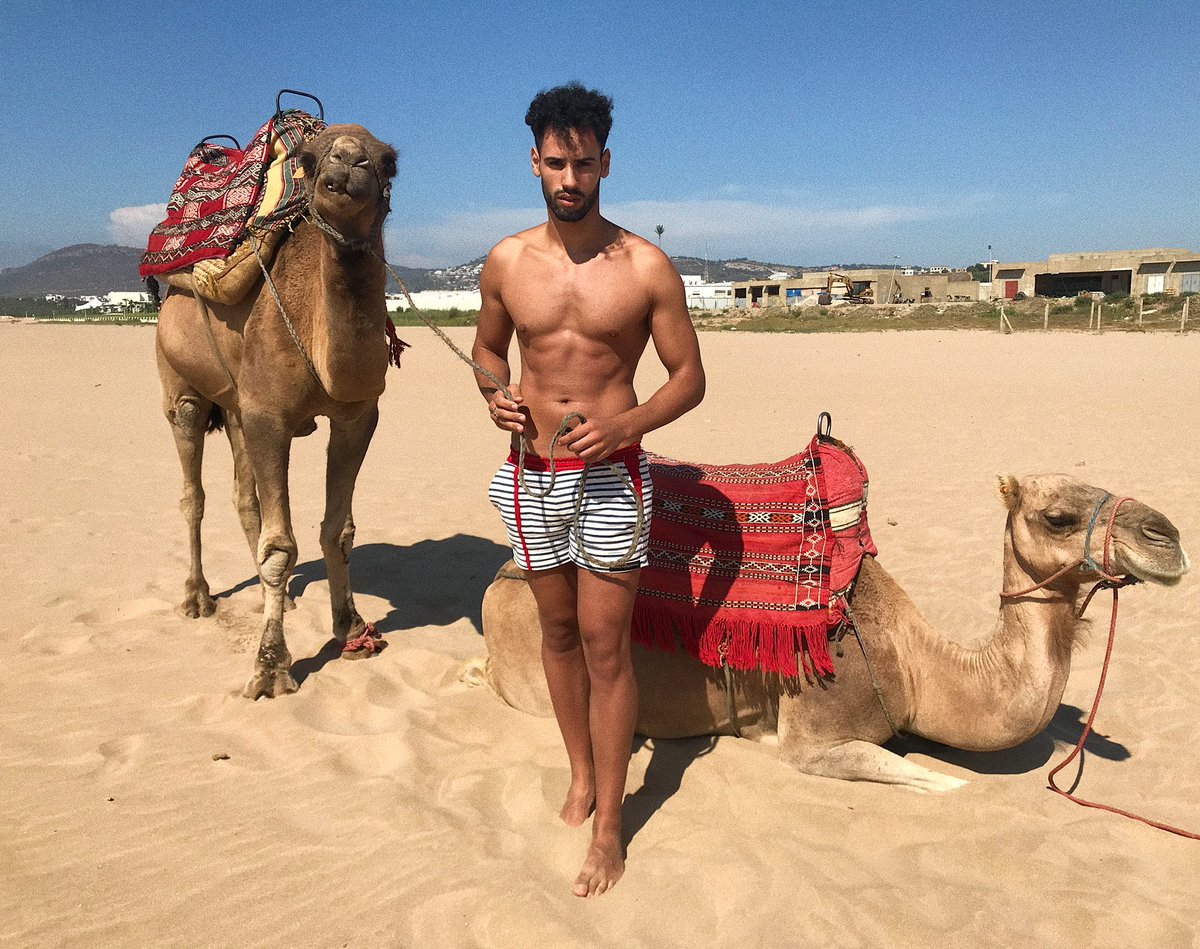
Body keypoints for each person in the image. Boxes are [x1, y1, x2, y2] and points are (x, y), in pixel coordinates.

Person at [471, 82, 705, 898]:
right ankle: (581, 771)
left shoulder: (645, 267)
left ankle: (611, 826)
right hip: (533, 475)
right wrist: (493, 392)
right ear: (534, 162)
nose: (569, 178)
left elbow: (689, 377)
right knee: (558, 631)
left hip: (610, 479)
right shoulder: (506, 261)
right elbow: (488, 351)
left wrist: (626, 425)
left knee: (607, 646)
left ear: (606, 162)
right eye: (555, 163)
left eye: (583, 163)